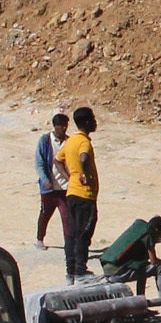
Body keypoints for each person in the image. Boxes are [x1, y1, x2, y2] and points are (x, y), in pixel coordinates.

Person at [60, 107, 102, 277]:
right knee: (84, 233)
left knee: (72, 233)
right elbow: (84, 157)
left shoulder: (70, 141)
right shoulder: (84, 142)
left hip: (71, 193)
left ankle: (71, 270)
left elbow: (57, 159)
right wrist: (85, 175)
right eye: (92, 119)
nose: (95, 121)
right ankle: (80, 271)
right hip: (85, 195)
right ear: (86, 122)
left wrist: (69, 176)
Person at [35, 111, 70, 247]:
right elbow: (40, 162)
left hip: (64, 187)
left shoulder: (69, 141)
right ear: (56, 126)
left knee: (67, 217)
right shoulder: (45, 141)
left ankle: (69, 243)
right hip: (49, 188)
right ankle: (39, 239)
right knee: (45, 213)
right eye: (62, 126)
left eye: (66, 125)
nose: (65, 128)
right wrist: (45, 180)